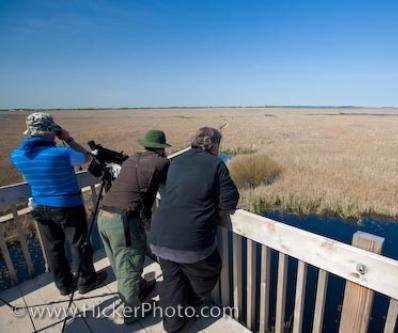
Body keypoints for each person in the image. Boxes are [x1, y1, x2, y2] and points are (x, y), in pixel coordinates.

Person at [150, 127, 239, 333]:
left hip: (159, 237)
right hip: (191, 243)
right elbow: (229, 201)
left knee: (173, 281)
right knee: (210, 270)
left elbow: (169, 189)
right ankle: (192, 308)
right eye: (219, 145)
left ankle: (173, 325)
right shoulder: (216, 164)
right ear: (214, 145)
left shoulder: (177, 161)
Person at [10, 112, 107, 296]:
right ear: (49, 131)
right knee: (79, 244)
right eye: (54, 131)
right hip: (67, 205)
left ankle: (64, 285)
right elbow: (86, 158)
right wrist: (68, 138)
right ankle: (86, 280)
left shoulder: (18, 155)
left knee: (55, 247)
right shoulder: (62, 153)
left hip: (40, 207)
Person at [97, 129, 170, 324]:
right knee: (129, 264)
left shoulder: (131, 160)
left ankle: (139, 288)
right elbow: (169, 181)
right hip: (123, 220)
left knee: (118, 260)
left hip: (104, 216)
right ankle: (132, 311)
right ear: (162, 149)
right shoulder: (161, 162)